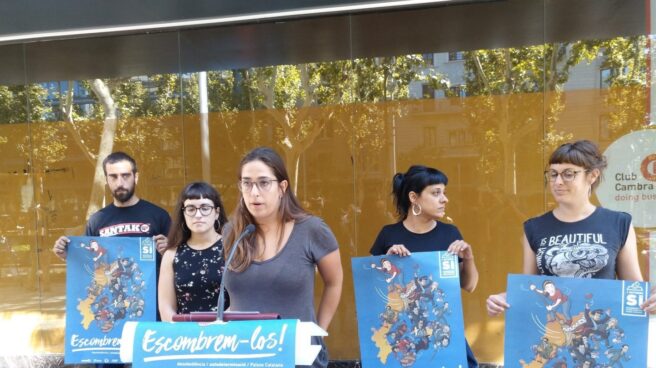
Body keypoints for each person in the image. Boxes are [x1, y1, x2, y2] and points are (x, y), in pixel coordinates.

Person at [486, 140, 656, 316]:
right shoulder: (534, 227)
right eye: (553, 174)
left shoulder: (618, 223)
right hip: (553, 328)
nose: (558, 181)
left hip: (601, 323)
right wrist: (503, 298)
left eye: (568, 174)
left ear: (593, 175)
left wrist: (651, 298)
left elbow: (633, 289)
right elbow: (530, 288)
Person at [222, 147, 343, 368]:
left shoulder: (312, 230)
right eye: (246, 183)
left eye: (263, 182)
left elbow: (334, 282)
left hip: (297, 355)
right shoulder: (232, 232)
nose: (254, 192)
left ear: (282, 187)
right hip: (243, 354)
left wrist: (317, 333)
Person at [51, 151, 171, 367]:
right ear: (106, 179)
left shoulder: (158, 216)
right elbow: (91, 265)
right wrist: (68, 255)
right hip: (110, 314)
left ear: (136, 177)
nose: (120, 182)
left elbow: (177, 263)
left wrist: (168, 251)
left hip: (149, 311)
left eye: (125, 175)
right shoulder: (97, 220)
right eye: (113, 177)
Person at [369, 165, 480, 368]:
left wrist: (469, 257)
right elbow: (372, 293)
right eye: (436, 193)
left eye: (444, 193)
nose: (444, 199)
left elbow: (469, 286)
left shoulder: (450, 234)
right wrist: (388, 262)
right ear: (414, 197)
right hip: (403, 337)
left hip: (443, 335)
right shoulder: (389, 236)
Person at [158, 182, 229, 322]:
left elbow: (241, 301)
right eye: (191, 209)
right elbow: (166, 307)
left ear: (217, 213)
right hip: (185, 337)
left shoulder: (232, 248)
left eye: (205, 208)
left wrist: (214, 327)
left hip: (225, 334)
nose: (198, 215)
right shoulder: (171, 254)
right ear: (183, 213)